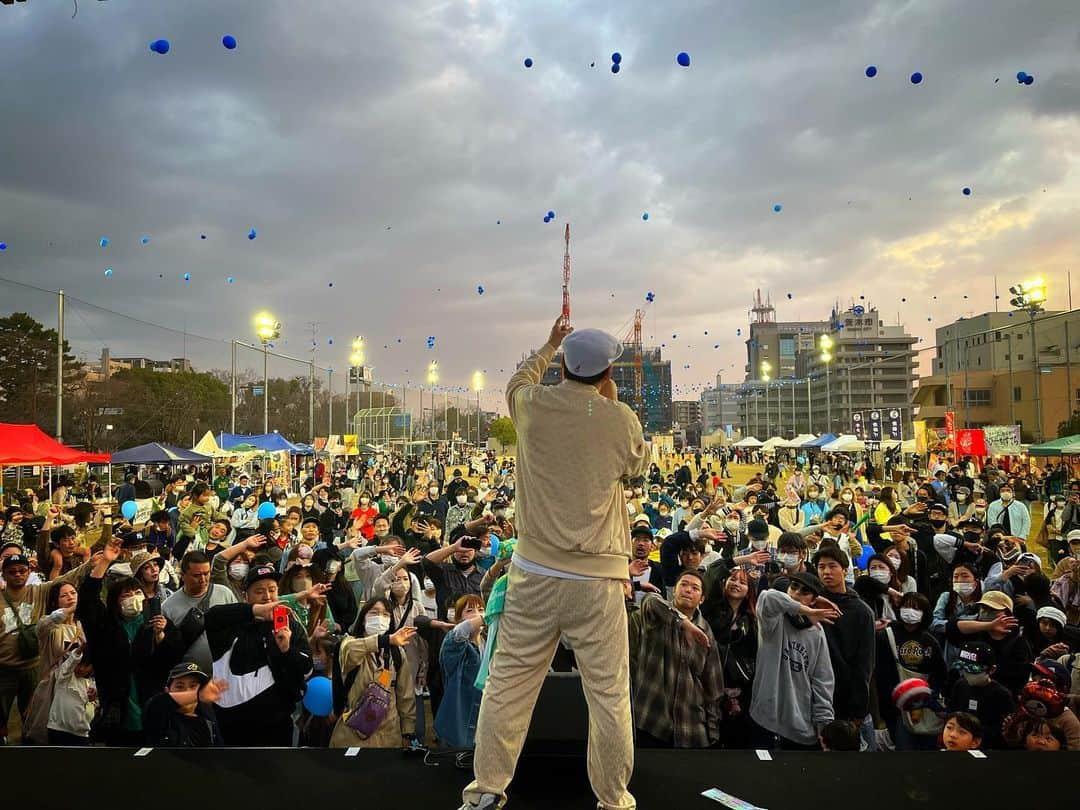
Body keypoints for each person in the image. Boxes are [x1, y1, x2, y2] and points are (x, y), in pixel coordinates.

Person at [461, 317, 649, 810]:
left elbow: (518, 380)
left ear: (564, 364)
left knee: (508, 686)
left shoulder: (532, 405)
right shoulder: (619, 417)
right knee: (608, 695)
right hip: (598, 579)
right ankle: (613, 798)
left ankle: (485, 791)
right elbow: (637, 467)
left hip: (534, 573)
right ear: (607, 374)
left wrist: (548, 343)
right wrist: (609, 406)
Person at [77, 541, 182, 744]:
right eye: (126, 595)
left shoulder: (157, 622)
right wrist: (105, 562)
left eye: (137, 594)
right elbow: (88, 601)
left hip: (152, 706)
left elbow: (172, 658)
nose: (133, 599)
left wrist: (160, 637)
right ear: (115, 602)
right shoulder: (104, 627)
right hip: (118, 710)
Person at [203, 564, 313, 746]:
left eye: (272, 590)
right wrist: (254, 612)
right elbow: (211, 617)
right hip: (232, 723)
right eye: (259, 591)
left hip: (277, 723)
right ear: (246, 596)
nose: (267, 597)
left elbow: (306, 668)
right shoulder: (232, 626)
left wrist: (286, 650)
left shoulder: (290, 625)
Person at [631, 571, 724, 748]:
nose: (688, 590)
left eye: (695, 588)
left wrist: (712, 730)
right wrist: (684, 623)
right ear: (674, 590)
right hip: (651, 719)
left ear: (702, 599)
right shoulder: (656, 615)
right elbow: (650, 599)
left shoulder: (706, 631)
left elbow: (713, 685)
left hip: (690, 726)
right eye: (684, 585)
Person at [749, 571, 837, 750]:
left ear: (814, 599)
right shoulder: (773, 620)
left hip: (801, 725)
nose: (796, 593)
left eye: (805, 592)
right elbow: (768, 597)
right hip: (766, 719)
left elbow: (823, 680)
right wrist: (806, 608)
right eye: (794, 587)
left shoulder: (817, 632)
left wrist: (824, 723)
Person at [329, 598, 417, 748]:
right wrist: (386, 639)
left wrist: (407, 732)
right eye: (374, 613)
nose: (379, 618)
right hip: (352, 734)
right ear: (363, 619)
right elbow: (351, 650)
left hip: (388, 736)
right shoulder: (350, 643)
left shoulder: (396, 653)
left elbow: (406, 696)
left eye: (385, 614)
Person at [813, 544, 876, 746]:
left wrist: (858, 709)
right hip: (814, 695)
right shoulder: (811, 605)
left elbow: (864, 664)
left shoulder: (862, 611)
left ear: (845, 570)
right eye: (821, 567)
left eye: (832, 566)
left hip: (846, 697)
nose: (826, 572)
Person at [700, 568, 758, 749]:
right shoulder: (711, 608)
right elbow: (713, 572)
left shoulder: (751, 618)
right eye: (732, 579)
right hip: (710, 678)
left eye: (742, 582)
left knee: (737, 734)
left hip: (740, 686)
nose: (736, 584)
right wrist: (738, 561)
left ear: (749, 590)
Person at [161, 551, 239, 673]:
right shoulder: (168, 607)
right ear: (183, 575)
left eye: (206, 573)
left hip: (226, 674)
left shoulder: (224, 593)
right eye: (196, 575)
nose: (203, 579)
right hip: (190, 678)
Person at [435, 593, 486, 749]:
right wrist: (488, 615)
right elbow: (460, 633)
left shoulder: (488, 642)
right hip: (458, 721)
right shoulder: (453, 643)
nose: (477, 614)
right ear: (458, 618)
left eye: (481, 609)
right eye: (470, 610)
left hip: (484, 719)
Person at [945, 641, 1015, 749]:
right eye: (963, 668)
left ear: (991, 670)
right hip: (958, 744)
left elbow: (1004, 731)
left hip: (987, 747)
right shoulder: (960, 685)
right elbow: (951, 713)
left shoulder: (1002, 695)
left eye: (973, 670)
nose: (967, 673)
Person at [142, 662, 225, 747]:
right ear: (167, 691)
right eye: (180, 687)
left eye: (193, 686)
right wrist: (198, 695)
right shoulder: (159, 714)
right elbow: (159, 702)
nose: (187, 691)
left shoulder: (207, 715)